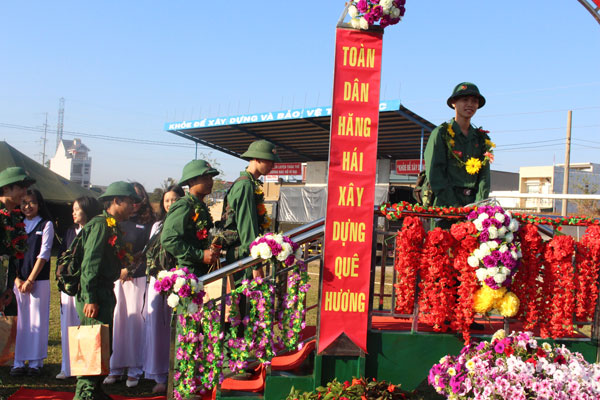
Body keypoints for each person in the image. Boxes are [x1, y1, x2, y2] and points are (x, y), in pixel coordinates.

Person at [74, 181, 139, 400]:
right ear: (115, 201)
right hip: (95, 293)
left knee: (103, 344)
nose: (133, 207)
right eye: (130, 202)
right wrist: (90, 298)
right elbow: (90, 264)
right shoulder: (101, 225)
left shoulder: (111, 225)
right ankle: (84, 393)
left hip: (104, 291)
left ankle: (95, 388)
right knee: (92, 343)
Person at [104, 182, 153, 388]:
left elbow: (147, 251)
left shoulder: (149, 223)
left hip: (137, 278)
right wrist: (119, 269)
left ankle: (134, 368)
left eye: (137, 199)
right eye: (129, 198)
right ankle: (115, 367)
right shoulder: (114, 221)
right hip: (116, 279)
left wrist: (129, 268)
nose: (133, 203)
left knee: (134, 323)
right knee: (117, 321)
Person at [424, 82, 492, 226]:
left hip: (472, 212)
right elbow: (435, 175)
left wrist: (477, 208)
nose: (470, 104)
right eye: (465, 100)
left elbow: (484, 177)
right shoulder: (441, 134)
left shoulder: (482, 139)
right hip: (445, 208)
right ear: (454, 103)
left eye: (474, 101)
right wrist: (456, 207)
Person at [143, 184, 184, 394]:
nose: (170, 204)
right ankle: (159, 374)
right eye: (167, 200)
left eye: (175, 199)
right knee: (158, 329)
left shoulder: (187, 222)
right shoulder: (157, 226)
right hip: (158, 283)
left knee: (175, 328)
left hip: (179, 283)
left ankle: (177, 373)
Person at [56, 196, 102, 380]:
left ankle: (83, 368)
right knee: (68, 324)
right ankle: (66, 366)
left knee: (85, 325)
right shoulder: (69, 232)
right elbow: (61, 257)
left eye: (77, 209)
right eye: (73, 209)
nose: (73, 213)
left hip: (87, 287)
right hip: (70, 286)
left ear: (87, 210)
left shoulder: (96, 231)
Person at [9, 189, 54, 377]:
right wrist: (17, 279)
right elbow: (10, 255)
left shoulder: (46, 225)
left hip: (38, 282)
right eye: (24, 202)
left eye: (32, 202)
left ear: (39, 204)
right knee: (20, 322)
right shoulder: (15, 225)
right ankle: (18, 362)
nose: (27, 206)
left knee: (37, 319)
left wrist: (30, 280)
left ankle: (35, 363)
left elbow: (43, 255)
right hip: (18, 282)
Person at [221, 140, 280, 268]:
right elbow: (247, 228)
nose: (273, 166)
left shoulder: (250, 183)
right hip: (243, 256)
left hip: (245, 254)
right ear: (257, 159)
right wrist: (254, 265)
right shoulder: (245, 185)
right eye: (270, 161)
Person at [161, 160, 220, 276]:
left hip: (202, 272)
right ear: (192, 181)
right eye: (205, 178)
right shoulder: (184, 205)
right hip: (188, 275)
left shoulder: (200, 205)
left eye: (211, 178)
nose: (210, 182)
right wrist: (201, 255)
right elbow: (168, 239)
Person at [0, 167, 35, 315]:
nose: (25, 193)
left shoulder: (13, 218)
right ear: (6, 188)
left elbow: (12, 256)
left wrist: (7, 287)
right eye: (22, 187)